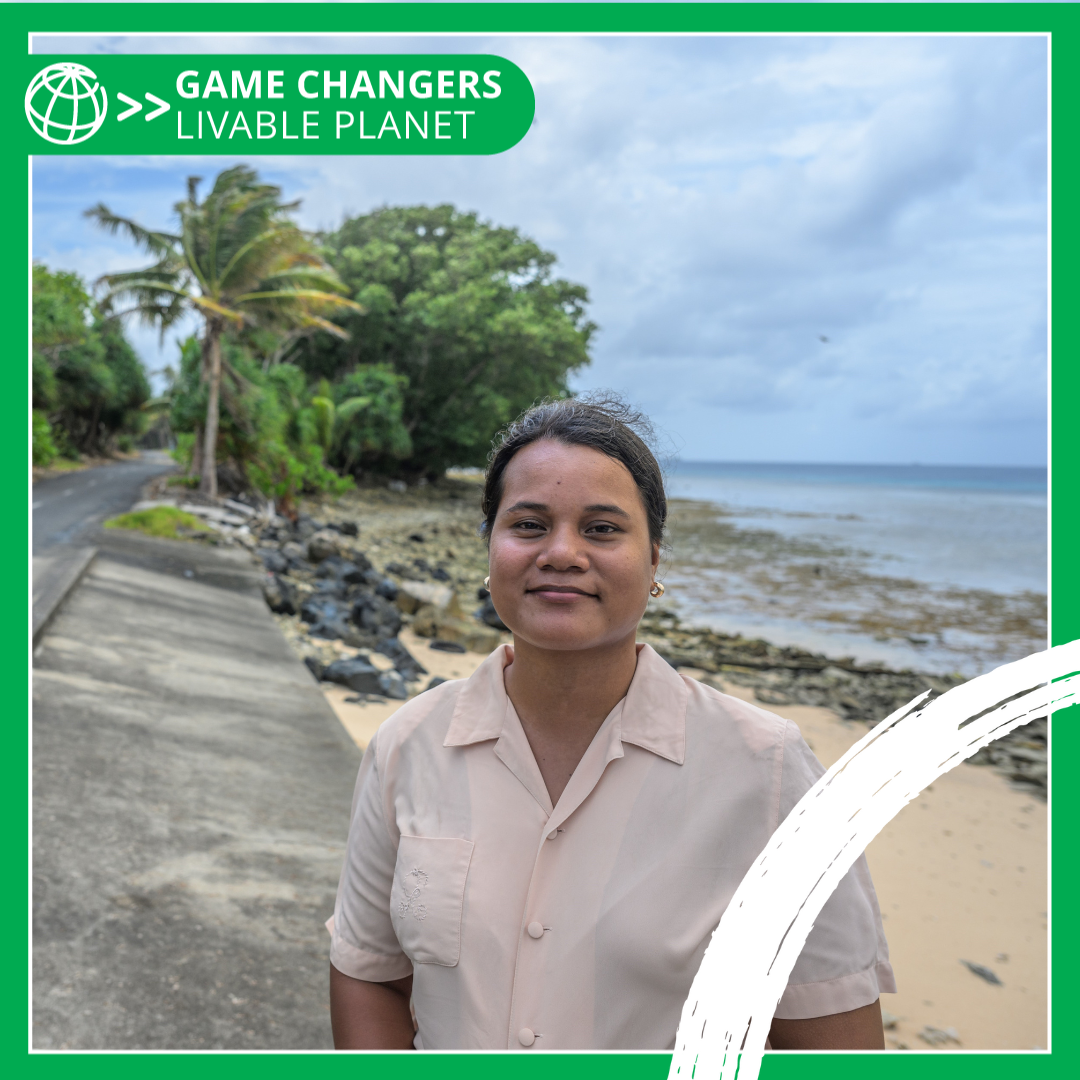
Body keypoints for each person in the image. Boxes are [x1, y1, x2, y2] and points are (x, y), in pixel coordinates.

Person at [328, 396, 895, 1050]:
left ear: (654, 560)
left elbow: (830, 1040)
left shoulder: (766, 772)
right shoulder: (409, 745)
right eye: (529, 525)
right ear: (491, 551)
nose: (562, 553)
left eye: (602, 529)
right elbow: (369, 971)